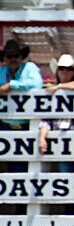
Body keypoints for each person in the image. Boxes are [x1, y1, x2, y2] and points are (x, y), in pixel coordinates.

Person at [38, 55, 74, 175]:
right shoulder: (50, 93)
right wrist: (42, 138)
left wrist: (58, 86)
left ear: (73, 72)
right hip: (61, 140)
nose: (65, 71)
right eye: (62, 68)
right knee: (65, 175)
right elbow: (45, 120)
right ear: (57, 71)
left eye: (68, 69)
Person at [0, 39, 43, 173]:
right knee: (10, 163)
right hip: (4, 125)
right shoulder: (1, 71)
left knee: (23, 166)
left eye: (16, 56)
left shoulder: (29, 67)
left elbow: (37, 83)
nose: (13, 59)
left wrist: (11, 85)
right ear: (4, 59)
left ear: (21, 57)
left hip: (26, 126)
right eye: (9, 56)